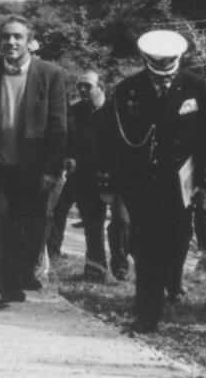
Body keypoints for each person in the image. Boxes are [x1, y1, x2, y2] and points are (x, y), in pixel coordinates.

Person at [102, 30, 206, 332]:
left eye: (169, 62)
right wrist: (110, 182)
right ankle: (147, 314)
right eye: (157, 62)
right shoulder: (128, 90)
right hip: (142, 182)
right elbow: (113, 139)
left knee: (178, 242)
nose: (163, 68)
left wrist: (205, 179)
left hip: (181, 184)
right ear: (145, 59)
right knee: (146, 247)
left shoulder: (197, 88)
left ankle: (170, 283)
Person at [0, 15, 67, 308]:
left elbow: (59, 127)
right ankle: (0, 285)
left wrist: (52, 169)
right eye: (6, 36)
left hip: (33, 169)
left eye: (18, 37)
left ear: (29, 41)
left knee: (28, 229)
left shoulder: (50, 74)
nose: (11, 42)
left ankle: (17, 276)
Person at [48, 71, 128, 282]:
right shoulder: (75, 112)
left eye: (87, 86)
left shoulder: (117, 112)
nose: (82, 90)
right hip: (85, 176)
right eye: (80, 86)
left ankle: (120, 264)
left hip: (116, 176)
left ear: (101, 86)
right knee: (93, 224)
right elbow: (68, 141)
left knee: (122, 221)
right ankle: (95, 268)